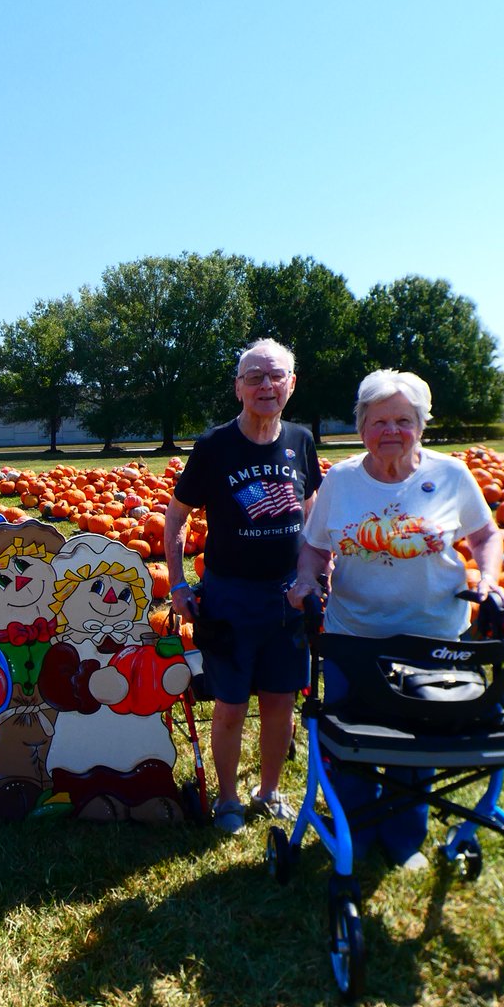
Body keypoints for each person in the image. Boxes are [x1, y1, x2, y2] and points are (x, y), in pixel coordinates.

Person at [288, 368, 504, 868]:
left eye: (403, 420)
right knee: (352, 738)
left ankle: (405, 837)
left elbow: (486, 536)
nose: (391, 431)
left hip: (433, 637)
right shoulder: (342, 480)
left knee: (418, 742)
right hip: (353, 635)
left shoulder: (451, 475)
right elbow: (315, 548)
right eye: (379, 420)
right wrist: (306, 580)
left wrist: (489, 579)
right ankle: (356, 831)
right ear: (362, 426)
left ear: (421, 425)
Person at [165, 338, 322, 833]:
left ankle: (270, 790)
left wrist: (313, 569)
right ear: (238, 388)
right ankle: (229, 798)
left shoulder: (301, 440)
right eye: (254, 376)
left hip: (288, 597)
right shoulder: (214, 447)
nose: (266, 385)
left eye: (275, 376)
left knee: (280, 701)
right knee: (231, 704)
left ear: (291, 384)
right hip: (229, 596)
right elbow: (175, 521)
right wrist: (178, 583)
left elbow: (312, 505)